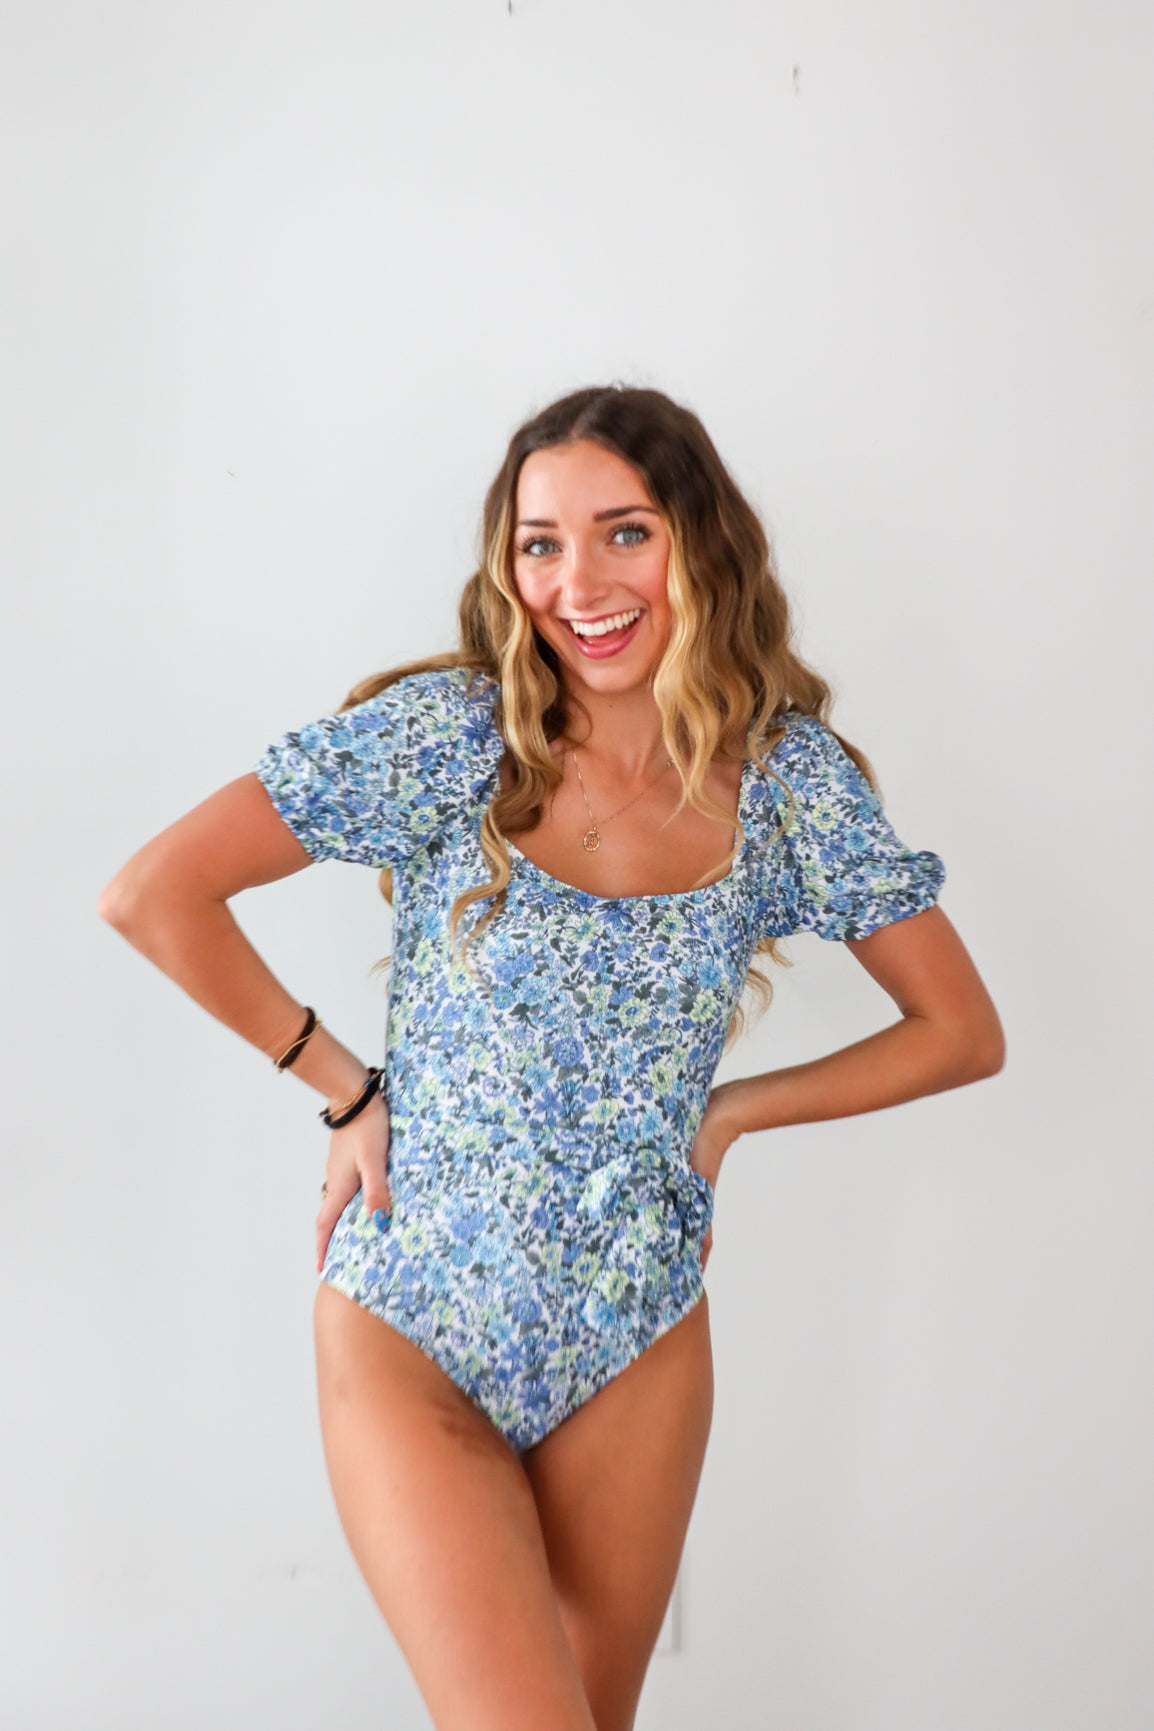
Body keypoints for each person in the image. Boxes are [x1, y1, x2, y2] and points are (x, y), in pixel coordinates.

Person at [98, 383, 1004, 1731]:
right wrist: (342, 1084)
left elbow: (958, 1032)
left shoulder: (787, 783)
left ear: (698, 543)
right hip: (415, 1307)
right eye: (537, 544)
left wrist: (728, 1116)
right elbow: (154, 893)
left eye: (621, 533)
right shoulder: (450, 740)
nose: (577, 583)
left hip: (638, 1326)